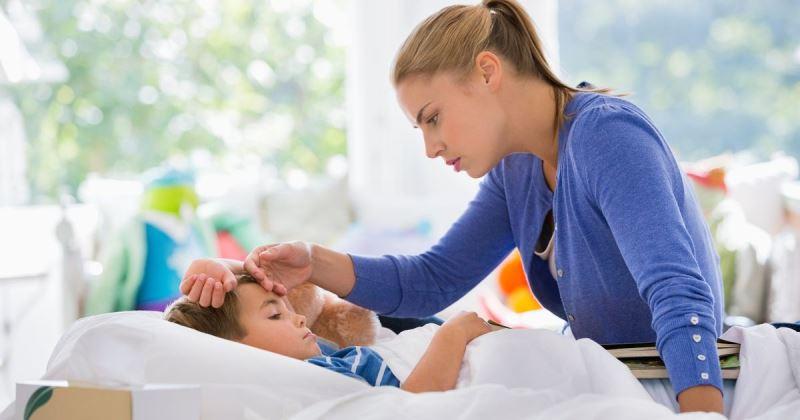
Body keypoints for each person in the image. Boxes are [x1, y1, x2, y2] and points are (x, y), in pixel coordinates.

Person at [181, 0, 725, 413]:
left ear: (487, 72)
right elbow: (432, 279)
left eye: (433, 117)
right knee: (421, 332)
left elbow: (678, 292)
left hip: (667, 374)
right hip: (600, 366)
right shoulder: (517, 168)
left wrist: (701, 414)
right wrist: (311, 261)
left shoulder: (607, 135)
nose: (430, 147)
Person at [167, 272, 492, 392]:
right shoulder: (313, 378)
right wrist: (453, 333)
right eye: (276, 315)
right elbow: (410, 405)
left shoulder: (315, 360)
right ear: (234, 351)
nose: (300, 319)